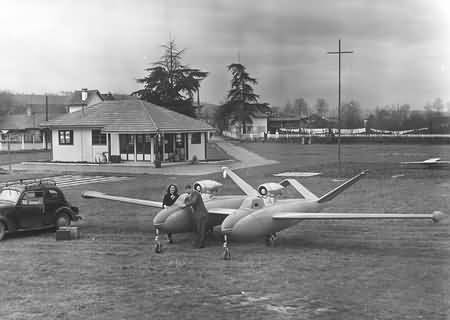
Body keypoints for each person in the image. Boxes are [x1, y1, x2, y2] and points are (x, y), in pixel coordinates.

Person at [184, 184, 208, 248]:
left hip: (201, 214)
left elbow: (193, 202)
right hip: (198, 214)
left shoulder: (196, 193)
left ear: (189, 189)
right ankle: (198, 243)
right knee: (198, 229)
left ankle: (201, 244)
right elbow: (189, 201)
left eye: (187, 191)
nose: (186, 192)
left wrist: (186, 204)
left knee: (201, 230)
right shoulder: (192, 194)